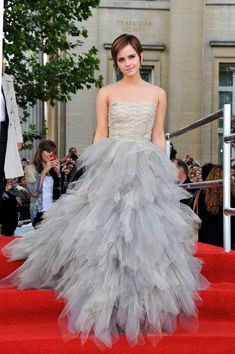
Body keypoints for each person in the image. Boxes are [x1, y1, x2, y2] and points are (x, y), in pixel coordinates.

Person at [0, 34, 208, 347]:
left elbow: (157, 137)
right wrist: (93, 173)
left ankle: (136, 304)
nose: (127, 64)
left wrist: (163, 174)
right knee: (106, 235)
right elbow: (100, 133)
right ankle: (105, 301)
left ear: (140, 55)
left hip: (145, 168)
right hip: (111, 165)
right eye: (121, 59)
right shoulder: (107, 92)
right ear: (116, 63)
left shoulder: (158, 93)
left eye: (131, 57)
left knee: (143, 236)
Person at [0, 65, 24, 227]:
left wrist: (18, 136)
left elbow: (14, 111)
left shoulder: (7, 80)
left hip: (4, 133)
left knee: (2, 175)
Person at [23, 140, 61, 227]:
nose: (50, 154)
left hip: (55, 212)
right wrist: (43, 172)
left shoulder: (53, 171)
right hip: (40, 212)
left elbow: (60, 193)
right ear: (40, 152)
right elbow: (34, 192)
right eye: (48, 151)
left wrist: (58, 173)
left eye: (53, 152)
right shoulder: (30, 168)